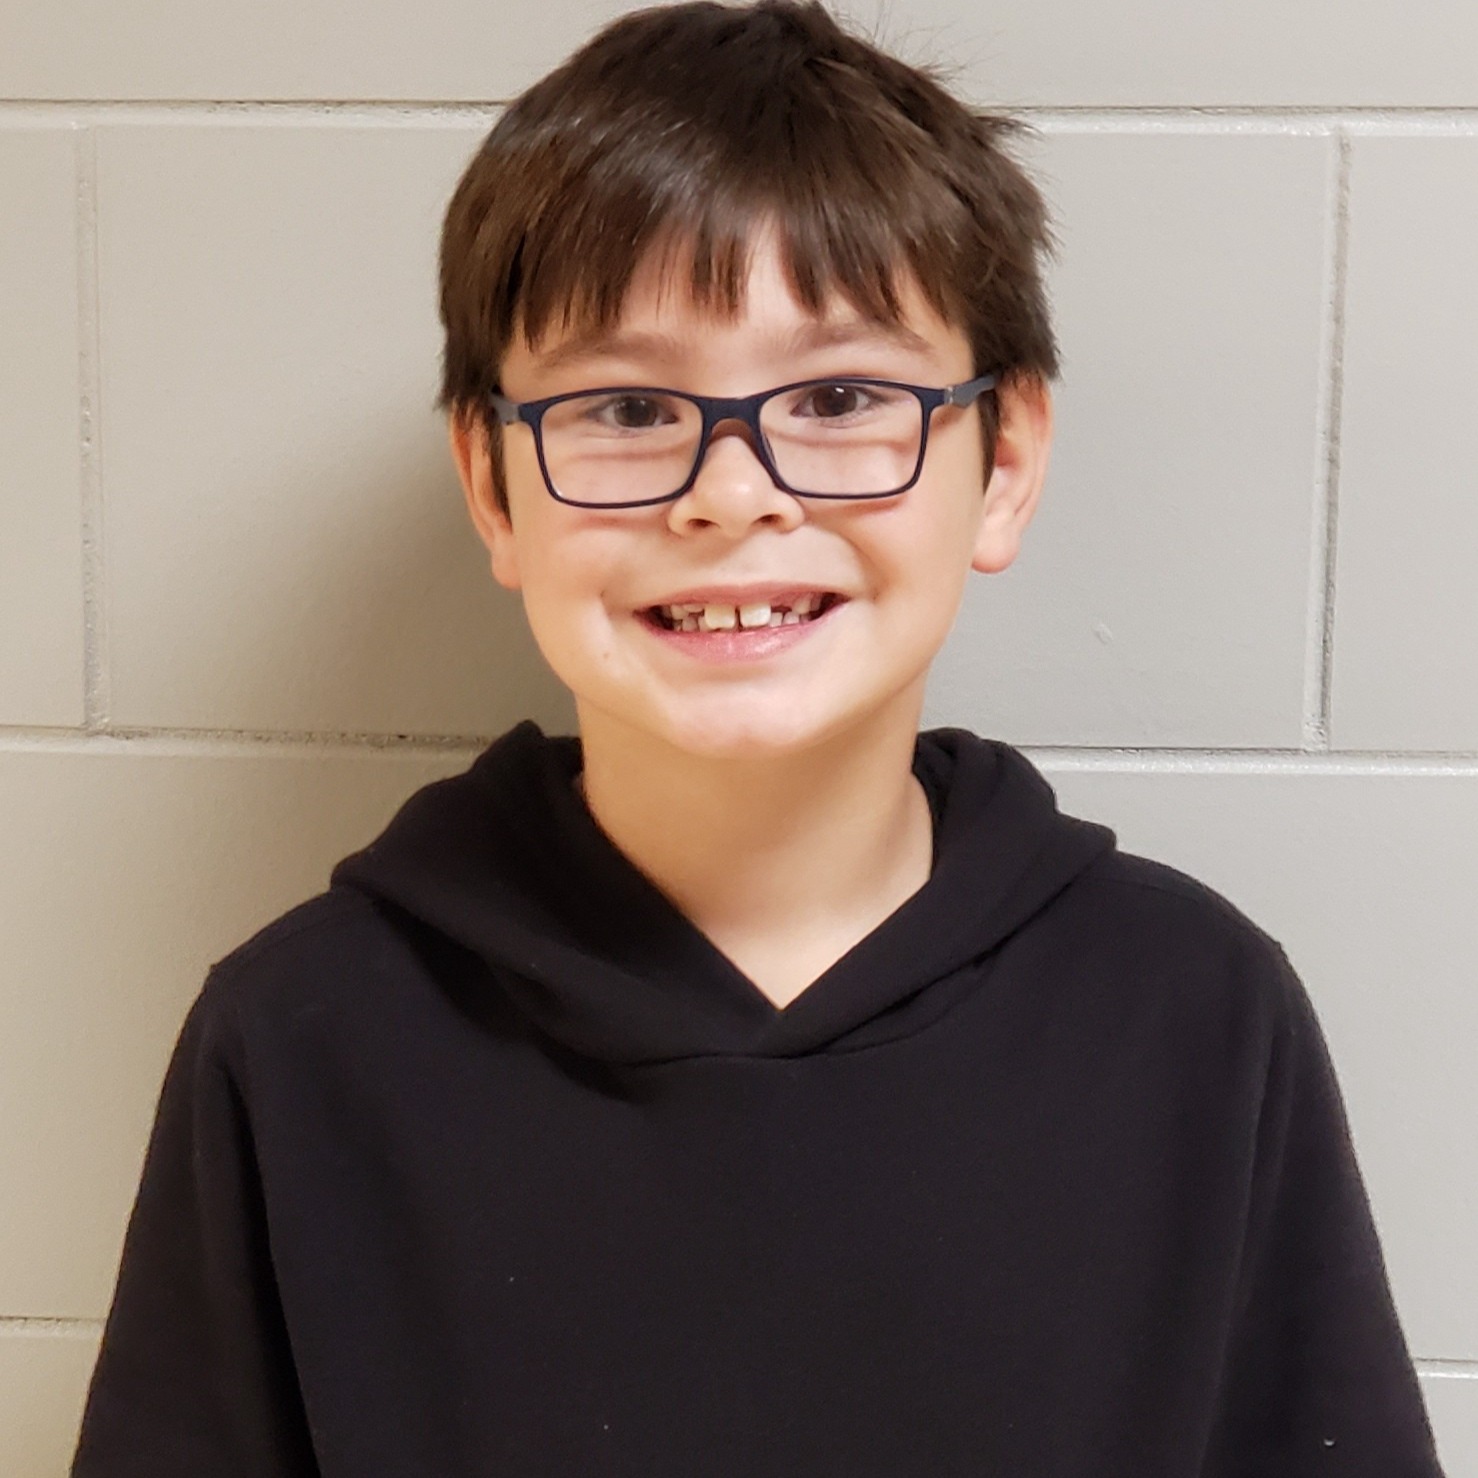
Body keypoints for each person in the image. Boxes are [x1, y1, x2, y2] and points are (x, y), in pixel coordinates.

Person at [71, 3, 1446, 1474]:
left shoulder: (1195, 1013)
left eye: (843, 397)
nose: (731, 495)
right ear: (490, 483)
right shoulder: (301, 1039)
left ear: (1004, 462)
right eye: (625, 407)